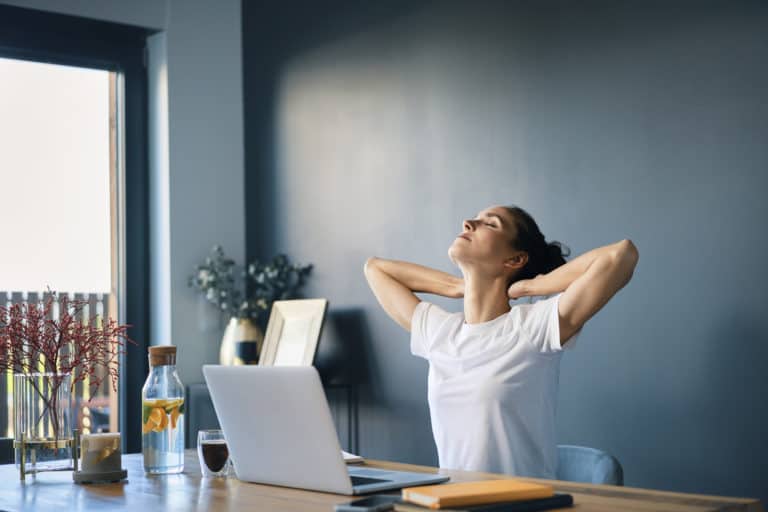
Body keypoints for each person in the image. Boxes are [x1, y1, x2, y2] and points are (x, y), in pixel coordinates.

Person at [363, 205, 639, 479]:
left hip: (522, 504)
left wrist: (533, 285)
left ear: (515, 260)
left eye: (490, 224)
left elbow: (621, 255)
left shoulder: (534, 328)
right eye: (475, 219)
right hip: (453, 502)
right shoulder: (441, 333)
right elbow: (375, 269)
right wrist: (456, 286)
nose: (468, 222)